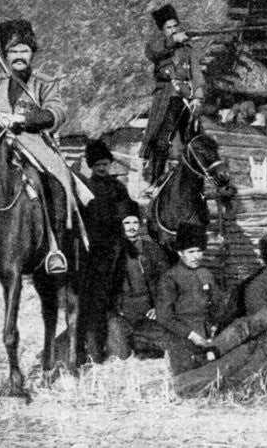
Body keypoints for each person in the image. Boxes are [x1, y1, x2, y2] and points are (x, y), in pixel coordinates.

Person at [0, 18, 91, 274]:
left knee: (59, 179)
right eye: (13, 52)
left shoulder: (44, 82)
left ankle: (55, 246)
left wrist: (25, 119)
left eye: (24, 51)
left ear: (32, 53)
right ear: (5, 55)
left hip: (33, 142)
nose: (19, 56)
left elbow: (57, 112)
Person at [140, 4, 205, 192]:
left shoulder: (187, 49)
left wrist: (198, 97)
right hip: (167, 98)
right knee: (161, 140)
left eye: (175, 26)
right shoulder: (157, 46)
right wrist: (172, 40)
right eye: (168, 27)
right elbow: (153, 52)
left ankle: (196, 180)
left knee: (193, 139)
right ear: (162, 30)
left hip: (185, 97)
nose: (173, 30)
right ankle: (154, 179)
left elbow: (196, 73)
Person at [79, 139, 132, 360]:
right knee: (93, 303)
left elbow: (127, 212)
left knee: (113, 300)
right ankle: (94, 351)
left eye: (105, 163)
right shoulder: (84, 188)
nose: (102, 168)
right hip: (92, 253)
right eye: (98, 164)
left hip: (115, 250)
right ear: (91, 165)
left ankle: (116, 349)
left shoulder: (118, 187)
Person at [155, 222, 229, 375]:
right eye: (191, 251)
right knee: (191, 374)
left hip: (207, 332)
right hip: (182, 335)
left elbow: (218, 304)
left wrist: (215, 325)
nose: (196, 256)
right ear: (180, 253)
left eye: (199, 251)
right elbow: (164, 317)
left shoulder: (206, 274)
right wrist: (191, 335)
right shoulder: (170, 278)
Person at [107, 200, 171, 360]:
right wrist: (114, 310)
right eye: (126, 222)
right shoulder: (109, 253)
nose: (131, 227)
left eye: (135, 222)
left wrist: (158, 307)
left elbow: (167, 282)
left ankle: (140, 341)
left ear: (140, 224)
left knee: (167, 343)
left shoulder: (153, 249)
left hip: (147, 312)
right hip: (121, 313)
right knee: (120, 355)